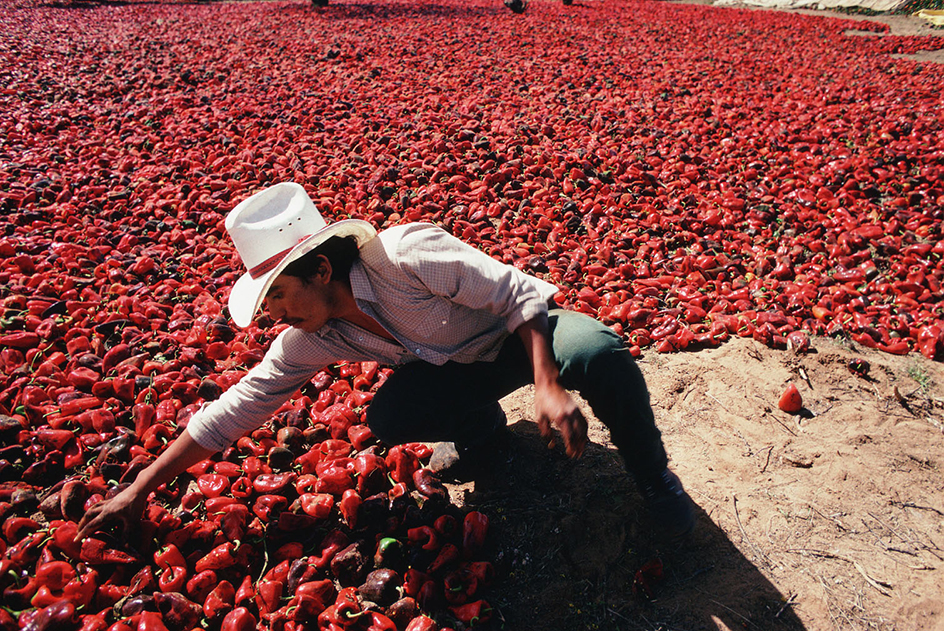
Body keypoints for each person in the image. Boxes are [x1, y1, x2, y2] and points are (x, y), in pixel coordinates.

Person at [76, 182, 694, 541]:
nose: (274, 317)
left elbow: (518, 294)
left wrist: (547, 383)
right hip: (457, 371)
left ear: (321, 269)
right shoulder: (311, 336)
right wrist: (139, 488)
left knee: (601, 354)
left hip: (517, 337)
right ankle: (482, 433)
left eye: (279, 297)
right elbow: (237, 407)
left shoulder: (405, 256)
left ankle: (655, 479)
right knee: (392, 415)